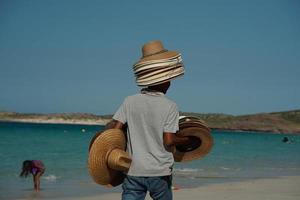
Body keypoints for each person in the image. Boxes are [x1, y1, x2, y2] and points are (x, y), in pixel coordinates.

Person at [112, 40, 191, 200]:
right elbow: (168, 141)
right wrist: (185, 140)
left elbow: (115, 131)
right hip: (159, 172)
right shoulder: (170, 106)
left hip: (133, 169)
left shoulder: (129, 101)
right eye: (168, 78)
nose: (170, 82)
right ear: (163, 80)